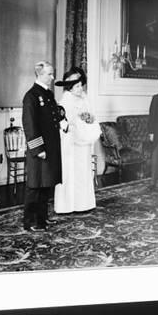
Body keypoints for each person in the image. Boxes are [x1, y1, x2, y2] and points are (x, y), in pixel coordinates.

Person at [21, 61, 68, 232]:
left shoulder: (48, 95)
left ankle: (42, 219)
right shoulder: (31, 96)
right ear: (40, 74)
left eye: (52, 73)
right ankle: (31, 222)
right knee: (35, 186)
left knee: (46, 185)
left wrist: (64, 122)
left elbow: (55, 116)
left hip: (51, 148)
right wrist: (38, 149)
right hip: (40, 150)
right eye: (49, 74)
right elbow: (30, 125)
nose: (53, 77)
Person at [54, 67, 101, 213]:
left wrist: (89, 120)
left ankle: (83, 204)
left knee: (83, 172)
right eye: (77, 86)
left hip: (83, 142)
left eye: (81, 85)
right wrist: (74, 125)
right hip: (70, 143)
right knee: (70, 173)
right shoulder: (65, 100)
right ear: (70, 87)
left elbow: (90, 115)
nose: (81, 89)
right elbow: (63, 123)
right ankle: (68, 206)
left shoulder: (84, 98)